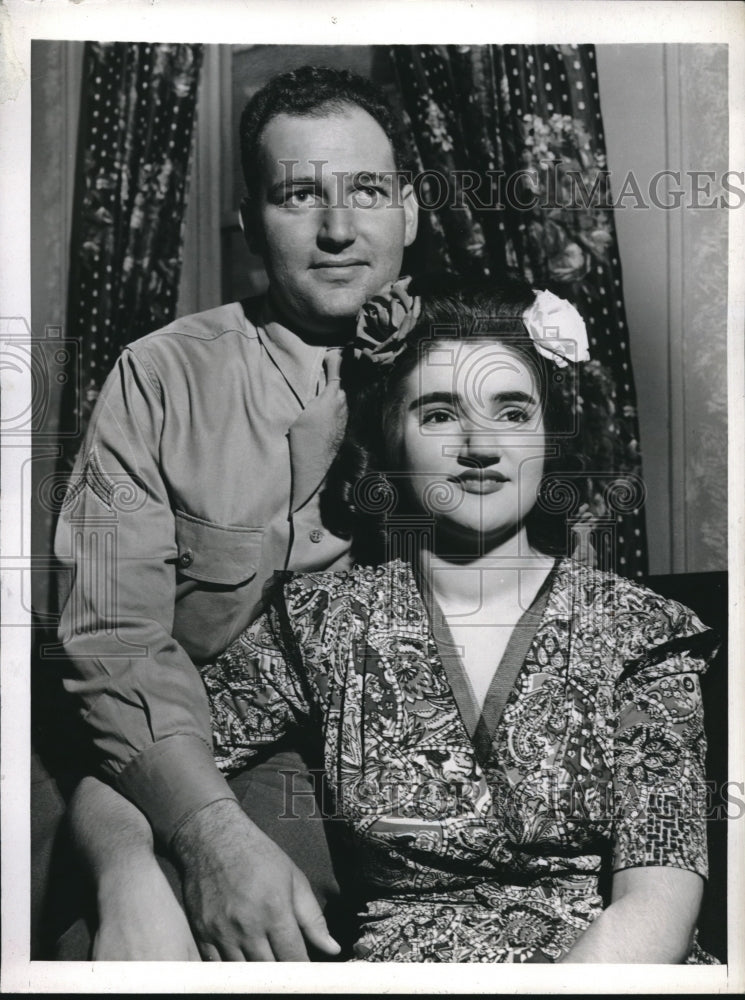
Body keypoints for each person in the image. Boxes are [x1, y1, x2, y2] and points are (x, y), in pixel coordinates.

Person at [191, 274, 718, 962]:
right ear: (389, 439)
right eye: (438, 414)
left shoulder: (643, 634)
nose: (478, 443)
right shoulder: (324, 621)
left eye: (511, 412)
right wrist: (135, 873)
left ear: (548, 438)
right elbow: (146, 752)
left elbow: (658, 902)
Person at [52, 65, 418, 960]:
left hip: (389, 766)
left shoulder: (474, 369)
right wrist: (187, 839)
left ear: (408, 210)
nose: (337, 230)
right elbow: (115, 638)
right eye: (298, 196)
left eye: (366, 190)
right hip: (183, 748)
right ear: (250, 221)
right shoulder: (161, 374)